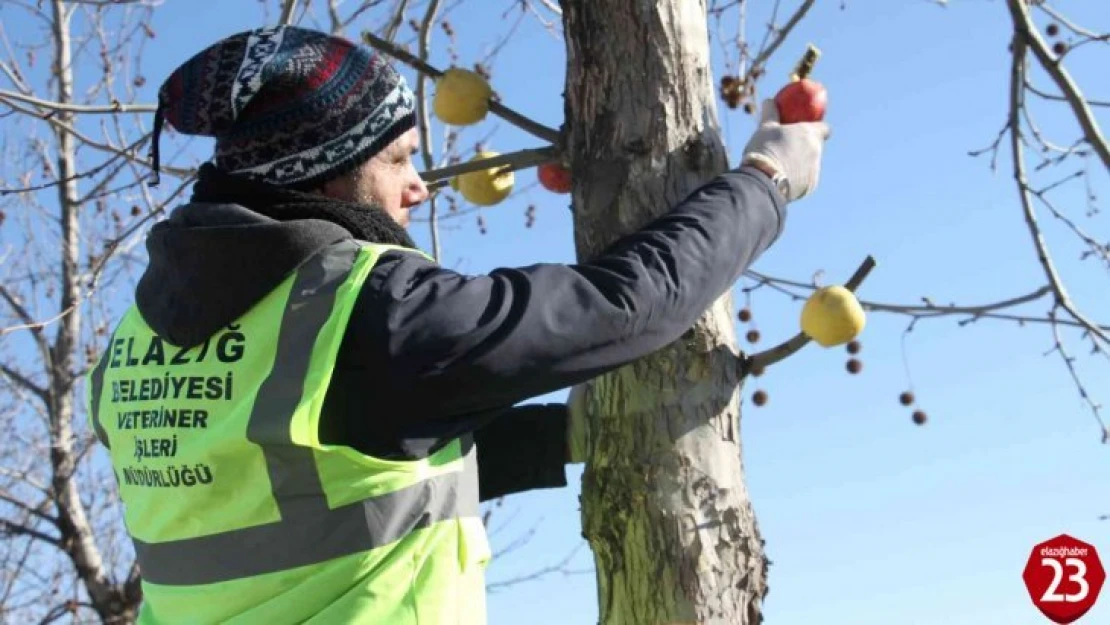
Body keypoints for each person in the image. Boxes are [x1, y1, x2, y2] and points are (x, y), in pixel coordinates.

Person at [85, 25, 828, 625]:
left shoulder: (128, 350)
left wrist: (557, 438)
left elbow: (317, 493)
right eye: (401, 158)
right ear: (328, 169)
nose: (418, 187)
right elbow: (626, 302)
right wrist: (767, 180)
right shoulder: (364, 310)